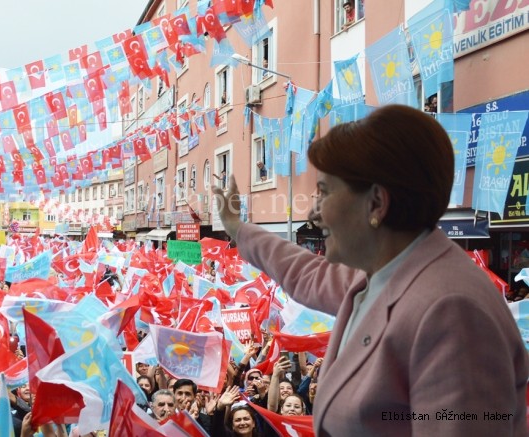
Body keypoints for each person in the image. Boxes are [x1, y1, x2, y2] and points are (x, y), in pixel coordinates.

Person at [213, 104, 529, 435]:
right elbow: (305, 273)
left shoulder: (452, 312)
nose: (314, 213)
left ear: (376, 203)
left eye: (324, 192)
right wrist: (236, 228)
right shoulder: (380, 275)